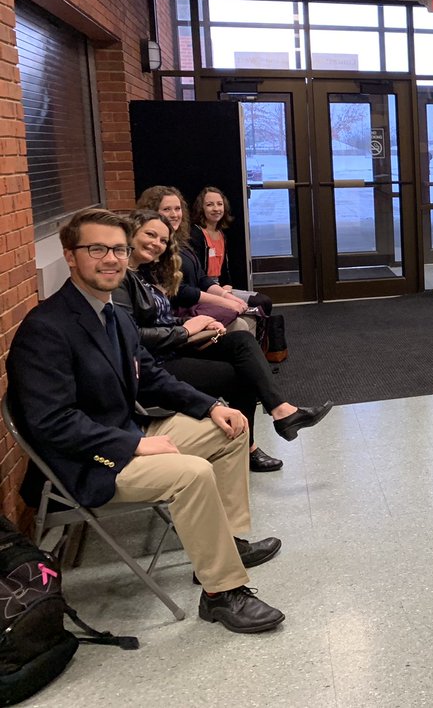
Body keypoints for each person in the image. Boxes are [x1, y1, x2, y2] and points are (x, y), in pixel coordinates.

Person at [5, 208, 285, 633]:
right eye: (96, 249)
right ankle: (221, 593)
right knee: (191, 474)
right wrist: (133, 445)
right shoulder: (46, 329)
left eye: (118, 248)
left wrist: (211, 406)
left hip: (126, 432)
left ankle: (223, 545)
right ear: (70, 255)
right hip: (86, 461)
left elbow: (149, 375)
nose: (111, 259)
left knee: (230, 429)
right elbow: (52, 424)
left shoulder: (113, 314)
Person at [115, 209, 332, 473]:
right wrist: (186, 331)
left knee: (241, 340)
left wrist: (197, 325)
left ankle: (281, 410)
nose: (156, 244)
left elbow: (161, 319)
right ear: (130, 233)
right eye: (150, 235)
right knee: (242, 376)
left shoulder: (145, 273)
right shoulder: (119, 279)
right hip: (152, 366)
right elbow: (131, 336)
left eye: (162, 240)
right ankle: (248, 448)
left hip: (171, 345)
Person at [136, 186, 249, 321]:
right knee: (238, 321)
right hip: (179, 311)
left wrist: (226, 295)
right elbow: (179, 290)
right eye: (167, 209)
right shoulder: (156, 248)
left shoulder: (182, 242)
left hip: (196, 303)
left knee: (251, 309)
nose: (174, 214)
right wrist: (224, 302)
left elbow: (202, 277)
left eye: (177, 209)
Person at [189, 185, 273, 317]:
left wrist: (227, 286)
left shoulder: (221, 234)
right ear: (201, 208)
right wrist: (222, 294)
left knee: (264, 302)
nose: (216, 209)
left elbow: (224, 270)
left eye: (219, 204)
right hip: (205, 291)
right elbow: (197, 276)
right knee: (260, 303)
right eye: (210, 205)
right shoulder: (195, 235)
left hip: (221, 288)